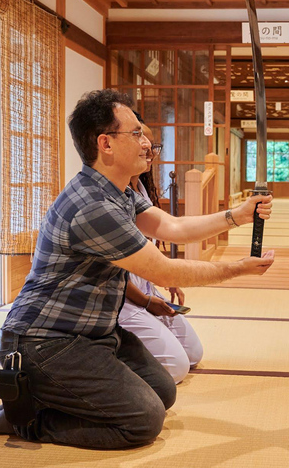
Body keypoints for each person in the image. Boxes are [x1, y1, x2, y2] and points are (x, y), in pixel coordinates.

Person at [0, 89, 274, 449]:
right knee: (143, 420)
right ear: (106, 144)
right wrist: (237, 269)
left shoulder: (120, 193)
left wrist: (236, 216)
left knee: (162, 392)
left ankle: (44, 397)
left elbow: (172, 227)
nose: (147, 143)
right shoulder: (94, 206)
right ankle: (29, 417)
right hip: (45, 342)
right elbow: (165, 273)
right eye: (136, 134)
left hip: (92, 334)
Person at [119, 120, 203, 384]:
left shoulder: (141, 191)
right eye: (140, 140)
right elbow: (113, 273)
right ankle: (109, 358)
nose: (149, 150)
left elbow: (168, 233)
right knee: (176, 369)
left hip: (146, 291)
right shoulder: (107, 198)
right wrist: (145, 302)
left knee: (193, 355)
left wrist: (167, 278)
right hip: (122, 297)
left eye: (153, 145)